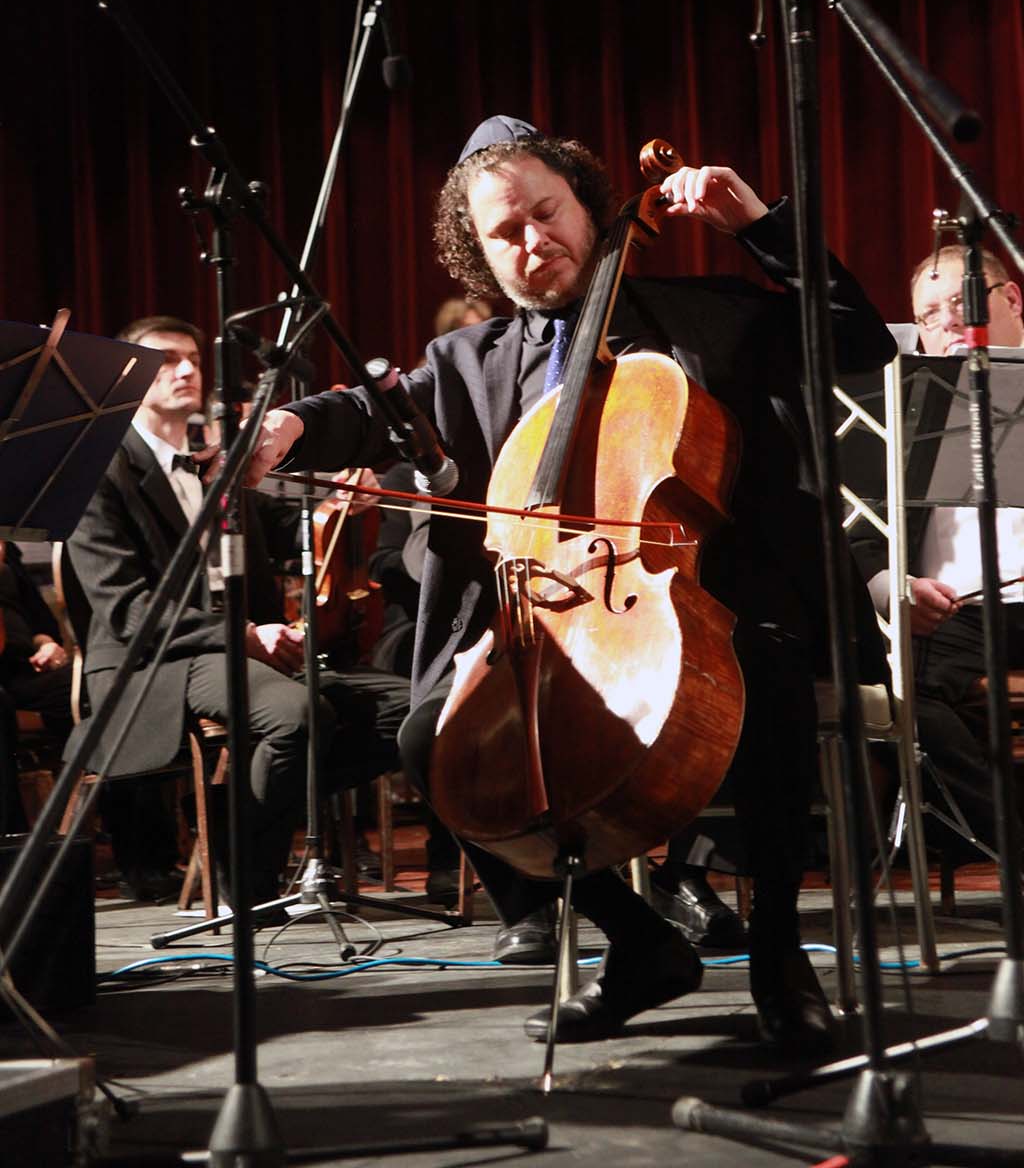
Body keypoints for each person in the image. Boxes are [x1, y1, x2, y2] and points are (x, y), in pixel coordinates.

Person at [245, 116, 895, 1055]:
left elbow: (858, 340)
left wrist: (760, 227)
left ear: (588, 208)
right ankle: (636, 943)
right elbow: (369, 410)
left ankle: (778, 959)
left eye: (546, 214)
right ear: (477, 252)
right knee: (433, 738)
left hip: (717, 590)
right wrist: (293, 427)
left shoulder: (706, 312)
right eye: (504, 232)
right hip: (555, 622)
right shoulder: (468, 360)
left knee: (764, 674)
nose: (532, 241)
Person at [65, 315, 409, 910]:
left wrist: (338, 503)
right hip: (151, 663)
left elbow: (286, 530)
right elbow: (128, 611)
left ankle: (236, 823)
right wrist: (244, 634)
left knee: (410, 709)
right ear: (124, 376)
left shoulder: (214, 463)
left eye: (193, 358)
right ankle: (246, 888)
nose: (186, 370)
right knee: (296, 715)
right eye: (166, 359)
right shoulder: (96, 468)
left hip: (238, 657)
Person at [852, 244, 1024, 860]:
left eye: (962, 302)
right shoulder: (898, 406)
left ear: (1011, 299)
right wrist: (892, 588)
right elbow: (857, 528)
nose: (947, 321)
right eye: (929, 314)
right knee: (899, 698)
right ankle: (1013, 848)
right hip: (955, 610)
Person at [0, 541, 73, 835]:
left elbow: (38, 617)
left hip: (27, 669)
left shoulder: (7, 545)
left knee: (92, 689)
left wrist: (46, 643)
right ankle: (13, 842)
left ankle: (99, 829)